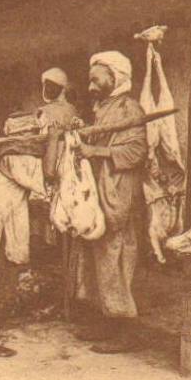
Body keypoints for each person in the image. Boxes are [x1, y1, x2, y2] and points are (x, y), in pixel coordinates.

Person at [71, 51, 148, 354]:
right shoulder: (103, 108)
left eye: (97, 78)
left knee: (117, 260)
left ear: (116, 77)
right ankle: (106, 320)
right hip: (99, 190)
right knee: (98, 258)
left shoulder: (130, 108)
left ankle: (127, 330)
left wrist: (97, 152)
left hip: (119, 191)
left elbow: (136, 152)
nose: (91, 84)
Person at [0, 116, 48, 357]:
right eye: (32, 133)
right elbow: (42, 182)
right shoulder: (15, 157)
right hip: (0, 225)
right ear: (22, 136)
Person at [36, 67, 79, 131]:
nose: (49, 89)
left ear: (61, 89)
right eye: (47, 85)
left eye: (53, 86)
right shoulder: (42, 111)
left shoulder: (71, 109)